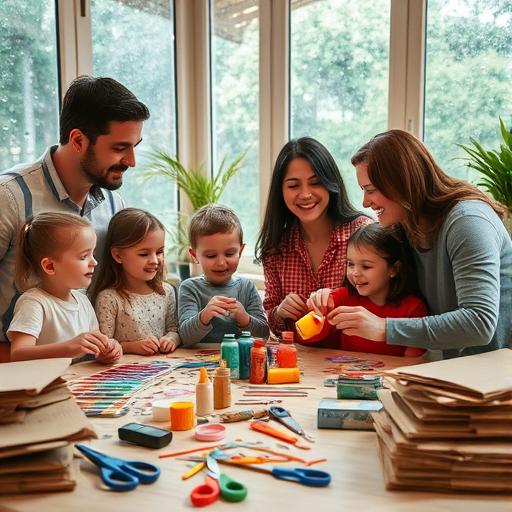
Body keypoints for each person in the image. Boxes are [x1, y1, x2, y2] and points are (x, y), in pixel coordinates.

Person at [0, 75, 149, 360]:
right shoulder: (8, 197)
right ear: (78, 140)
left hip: (84, 370)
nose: (132, 161)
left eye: (134, 147)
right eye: (120, 148)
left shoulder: (114, 205)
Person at [343, 129, 511, 359]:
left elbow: (480, 322)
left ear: (401, 182)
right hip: (461, 373)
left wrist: (386, 328)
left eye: (370, 190)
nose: (365, 202)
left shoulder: (467, 221)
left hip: (497, 380)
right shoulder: (407, 226)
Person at [255, 136, 372, 336]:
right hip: (303, 362)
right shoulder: (275, 248)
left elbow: (384, 305)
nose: (306, 194)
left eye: (316, 182)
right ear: (280, 191)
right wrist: (280, 312)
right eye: (293, 186)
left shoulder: (363, 232)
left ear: (330, 183)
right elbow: (272, 321)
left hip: (359, 357)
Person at [7, 213, 122, 363]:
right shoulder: (34, 302)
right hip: (45, 385)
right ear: (50, 266)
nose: (94, 262)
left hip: (76, 380)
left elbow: (96, 345)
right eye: (84, 256)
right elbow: (18, 354)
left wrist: (108, 349)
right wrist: (68, 348)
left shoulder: (82, 300)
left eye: (92, 254)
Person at [305, 223, 426, 356]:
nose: (355, 273)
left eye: (366, 266)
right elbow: (306, 338)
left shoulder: (413, 309)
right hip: (344, 374)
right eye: (350, 264)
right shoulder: (341, 297)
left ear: (394, 269)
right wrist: (316, 307)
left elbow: (412, 362)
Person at [90, 208, 180, 356]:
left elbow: (174, 329)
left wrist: (171, 339)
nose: (155, 260)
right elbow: (104, 347)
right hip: (127, 373)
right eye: (144, 254)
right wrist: (132, 347)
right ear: (118, 255)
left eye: (159, 252)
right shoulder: (109, 298)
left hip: (164, 370)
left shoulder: (166, 291)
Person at [179, 205, 269, 346]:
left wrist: (244, 317)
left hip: (238, 362)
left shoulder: (246, 287)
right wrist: (204, 316)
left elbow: (263, 335)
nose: (221, 262)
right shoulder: (189, 288)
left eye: (229, 254)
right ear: (194, 256)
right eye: (210, 255)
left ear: (240, 251)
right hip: (198, 363)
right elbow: (185, 337)